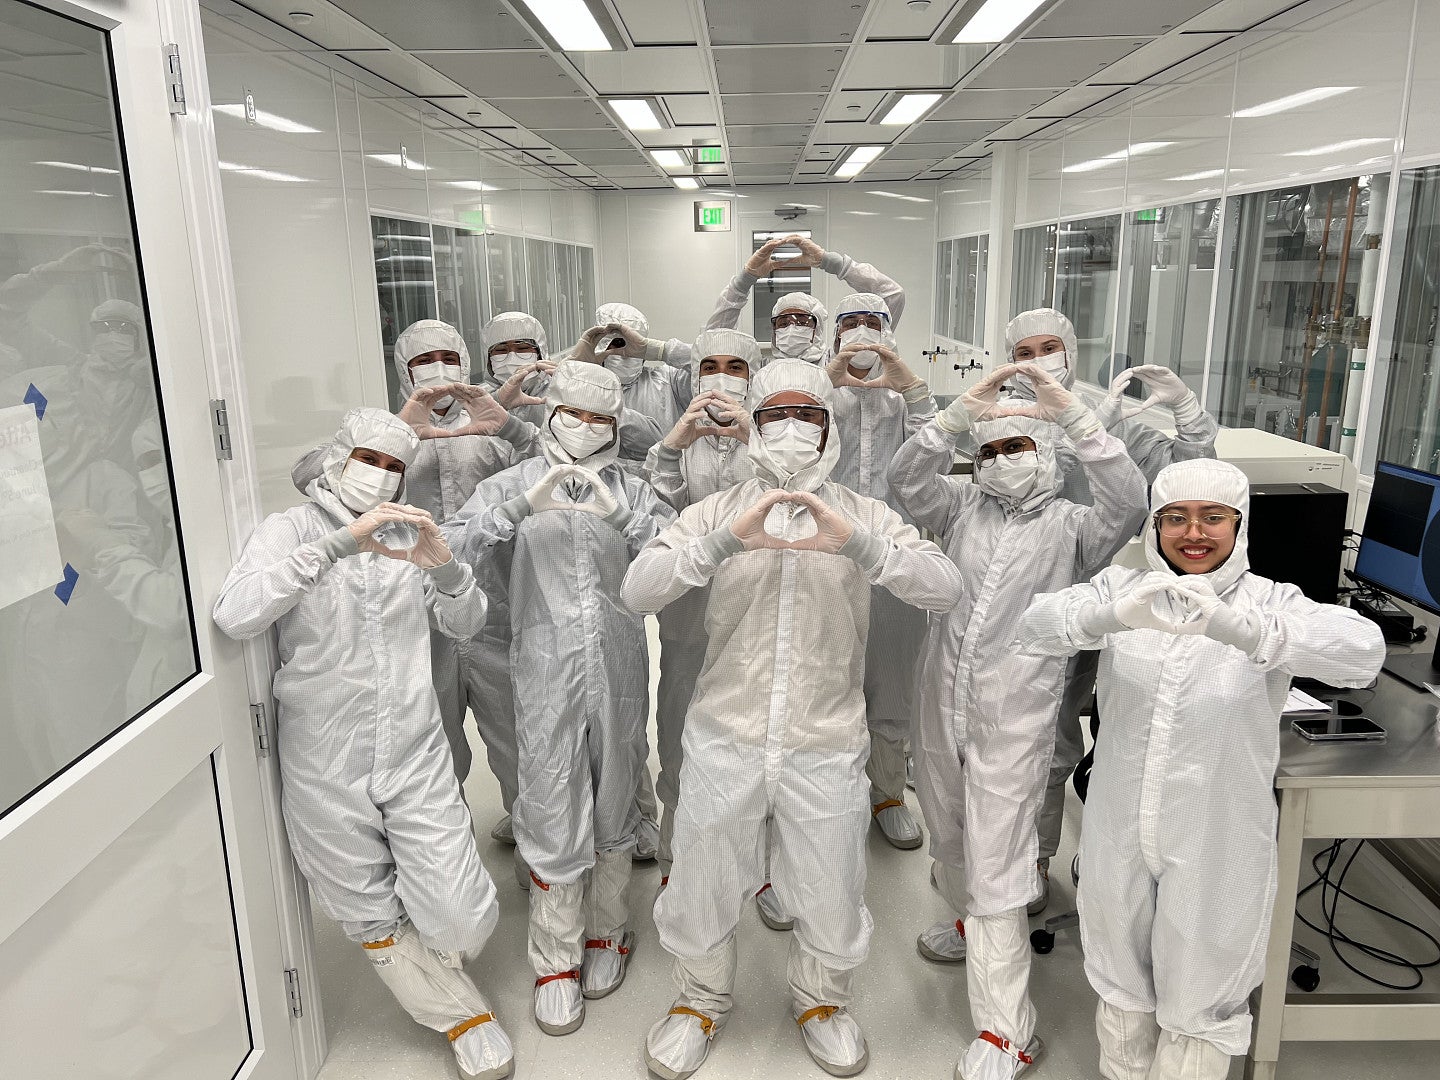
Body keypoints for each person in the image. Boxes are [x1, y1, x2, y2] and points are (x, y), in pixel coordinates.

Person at [622, 359, 962, 1080]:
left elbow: (944, 587)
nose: (790, 428)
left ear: (830, 426)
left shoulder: (863, 513)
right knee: (704, 879)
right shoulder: (715, 510)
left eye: (806, 414)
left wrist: (861, 545)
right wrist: (722, 542)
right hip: (726, 731)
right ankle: (699, 1001)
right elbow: (638, 590)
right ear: (753, 423)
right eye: (774, 413)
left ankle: (821, 1002)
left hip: (826, 737)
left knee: (831, 884)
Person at [1017, 459, 1384, 1080]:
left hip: (1219, 834)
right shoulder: (1124, 588)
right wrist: (1109, 617)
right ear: (1155, 525)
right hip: (1118, 823)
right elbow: (1034, 626)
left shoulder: (1269, 601)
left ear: (1240, 524)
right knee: (1120, 974)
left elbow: (1363, 653)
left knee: (1204, 989)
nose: (1194, 533)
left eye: (1213, 517)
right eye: (1176, 517)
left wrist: (1242, 631)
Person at [213, 408, 512, 1080]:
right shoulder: (289, 530)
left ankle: (431, 948)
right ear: (336, 458)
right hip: (325, 751)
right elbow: (236, 613)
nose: (379, 475)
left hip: (413, 744)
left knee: (463, 918)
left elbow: (465, 624)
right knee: (363, 903)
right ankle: (461, 1016)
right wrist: (337, 546)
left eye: (393, 466)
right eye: (367, 459)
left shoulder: (411, 531)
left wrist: (447, 570)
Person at [891, 364, 1146, 1080]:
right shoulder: (959, 508)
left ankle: (1007, 1031)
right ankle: (970, 923)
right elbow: (905, 478)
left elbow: (1129, 499)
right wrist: (952, 417)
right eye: (991, 450)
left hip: (1017, 714)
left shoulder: (1075, 528)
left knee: (999, 859)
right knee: (949, 830)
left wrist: (1076, 418)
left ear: (1049, 452)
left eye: (1018, 447)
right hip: (940, 703)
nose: (1001, 461)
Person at [445, 360, 675, 1036]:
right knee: (549, 799)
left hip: (621, 665)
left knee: (616, 791)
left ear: (616, 425)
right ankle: (554, 960)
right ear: (549, 415)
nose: (585, 426)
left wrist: (624, 515)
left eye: (600, 418)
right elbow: (451, 548)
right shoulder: (510, 482)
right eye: (573, 413)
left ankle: (607, 933)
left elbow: (677, 560)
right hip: (543, 667)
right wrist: (519, 508)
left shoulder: (636, 487)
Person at [1001, 308, 1220, 916]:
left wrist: (1187, 412)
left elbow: (1192, 476)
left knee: (1088, 740)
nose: (1039, 361)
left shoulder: (1115, 415)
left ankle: (1076, 859)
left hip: (1109, 607)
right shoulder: (1005, 416)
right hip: (1021, 602)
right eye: (1025, 351)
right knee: (1026, 737)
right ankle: (1019, 860)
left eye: (1049, 347)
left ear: (1071, 352)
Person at [290, 319, 538, 843]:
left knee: (517, 732)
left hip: (494, 604)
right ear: (403, 370)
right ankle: (448, 846)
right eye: (424, 361)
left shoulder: (491, 427)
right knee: (434, 739)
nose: (438, 370)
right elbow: (306, 473)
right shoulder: (384, 434)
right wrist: (401, 427)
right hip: (416, 612)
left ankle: (534, 844)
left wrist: (510, 426)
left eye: (450, 358)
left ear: (467, 362)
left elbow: (556, 471)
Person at [642, 328, 758, 889]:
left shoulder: (775, 433)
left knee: (755, 727)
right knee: (679, 718)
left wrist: (756, 435)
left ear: (753, 375)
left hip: (759, 602)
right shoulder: (680, 437)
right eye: (708, 365)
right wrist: (672, 447)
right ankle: (676, 856)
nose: (721, 377)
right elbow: (656, 512)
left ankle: (758, 865)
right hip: (690, 607)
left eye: (735, 366)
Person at [826, 294, 934, 852]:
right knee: (828, 679)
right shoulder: (819, 393)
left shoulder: (906, 401)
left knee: (892, 680)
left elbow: (938, 455)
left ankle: (888, 794)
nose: (862, 332)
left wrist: (910, 388)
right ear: (834, 334)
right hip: (827, 554)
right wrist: (827, 383)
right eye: (850, 322)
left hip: (895, 553)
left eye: (874, 322)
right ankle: (832, 793)